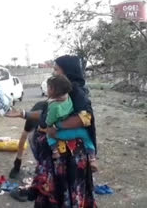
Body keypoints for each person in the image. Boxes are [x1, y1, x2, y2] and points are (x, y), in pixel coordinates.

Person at [6, 55, 97, 207]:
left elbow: (85, 118)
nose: (53, 73)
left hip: (68, 156)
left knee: (64, 192)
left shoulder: (75, 91)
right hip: (57, 156)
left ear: (67, 71)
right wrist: (23, 114)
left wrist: (55, 128)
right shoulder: (60, 92)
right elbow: (48, 114)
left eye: (56, 69)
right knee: (54, 191)